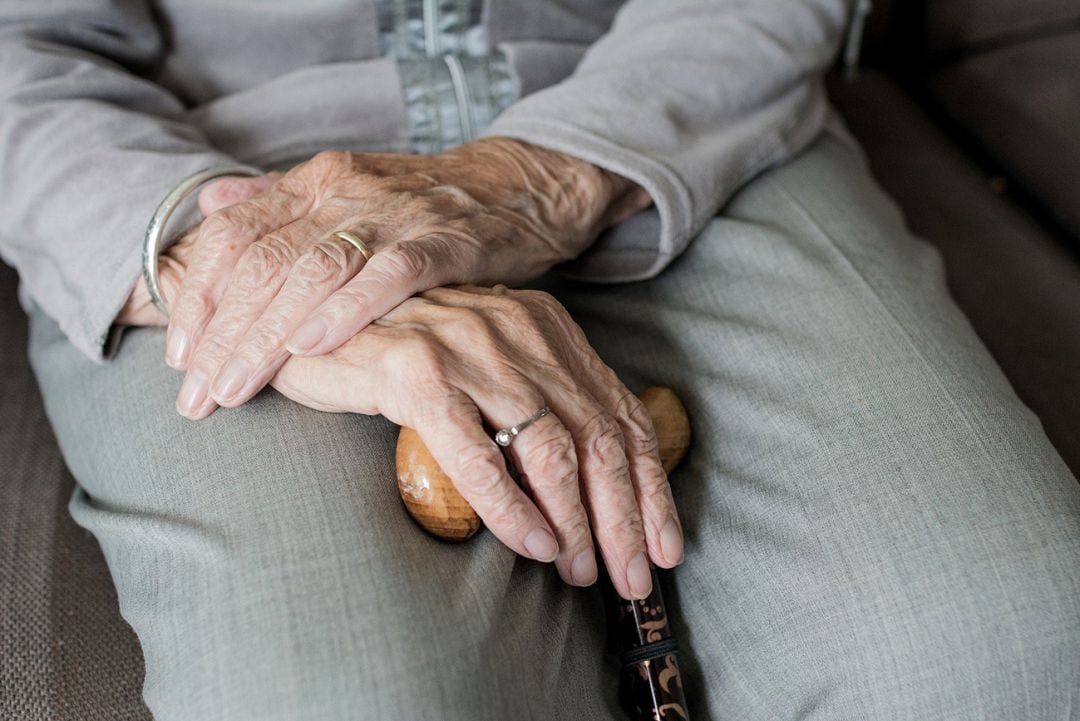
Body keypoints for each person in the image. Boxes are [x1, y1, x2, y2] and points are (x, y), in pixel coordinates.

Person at [2, 1, 1078, 719]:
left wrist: (536, 176)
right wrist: (249, 265)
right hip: (202, 177)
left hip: (682, 115)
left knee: (1002, 652)